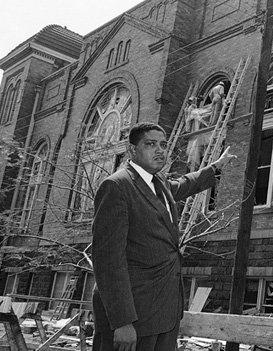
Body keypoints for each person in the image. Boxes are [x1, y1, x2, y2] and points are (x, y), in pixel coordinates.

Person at [91, 122, 236, 351]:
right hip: (134, 319)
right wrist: (122, 321)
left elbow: (186, 184)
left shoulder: (159, 183)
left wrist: (216, 167)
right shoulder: (116, 186)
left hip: (164, 314)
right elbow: (108, 261)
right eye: (150, 144)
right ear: (132, 150)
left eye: (163, 144)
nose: (160, 150)